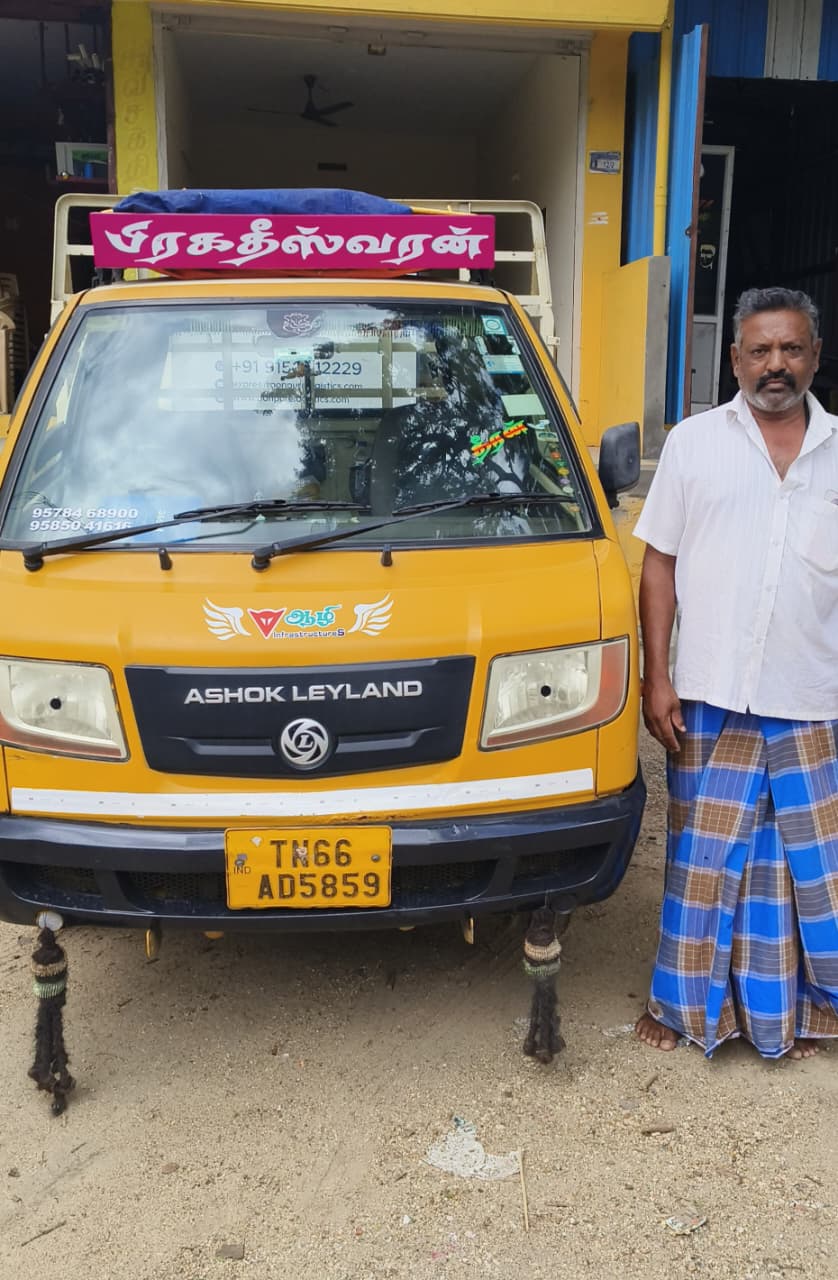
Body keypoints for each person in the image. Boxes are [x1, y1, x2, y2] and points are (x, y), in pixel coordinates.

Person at [633, 286, 838, 1061]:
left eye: (791, 349)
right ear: (735, 359)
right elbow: (658, 563)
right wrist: (658, 677)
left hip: (813, 695)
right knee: (704, 863)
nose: (775, 364)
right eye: (760, 350)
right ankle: (685, 1006)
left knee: (806, 871)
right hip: (710, 690)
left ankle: (804, 1012)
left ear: (814, 356)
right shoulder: (693, 443)